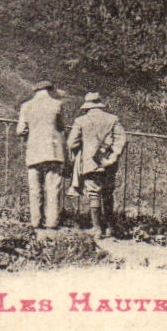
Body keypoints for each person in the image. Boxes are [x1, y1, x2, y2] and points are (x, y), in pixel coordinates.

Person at [68, 91, 127, 239]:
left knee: (94, 194)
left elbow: (71, 143)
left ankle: (97, 228)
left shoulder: (81, 121)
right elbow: (121, 140)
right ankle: (110, 228)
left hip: (90, 163)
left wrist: (82, 152)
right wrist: (112, 157)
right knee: (108, 194)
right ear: (100, 105)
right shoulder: (113, 119)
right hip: (108, 164)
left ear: (87, 107)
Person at [16, 79, 68, 230]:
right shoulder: (57, 104)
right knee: (53, 187)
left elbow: (20, 130)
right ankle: (52, 222)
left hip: (34, 151)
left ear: (35, 91)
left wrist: (29, 132)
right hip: (53, 151)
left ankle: (36, 221)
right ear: (50, 90)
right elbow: (61, 128)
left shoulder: (26, 106)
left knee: (35, 188)